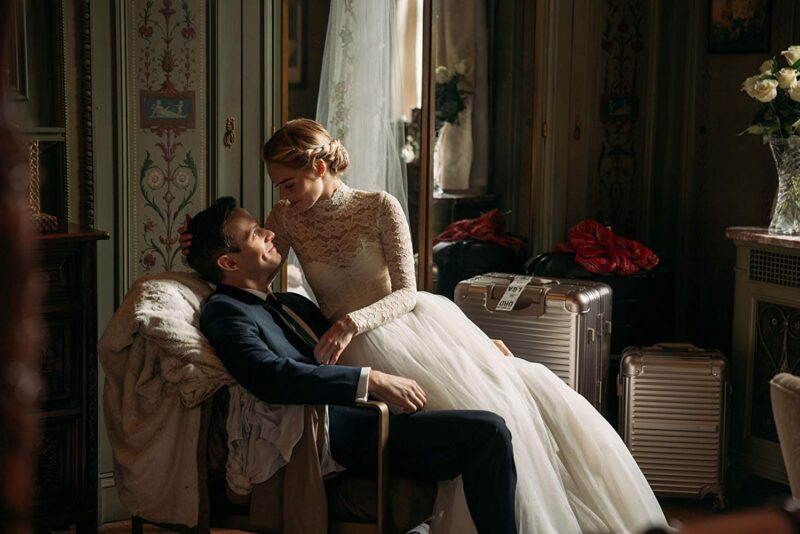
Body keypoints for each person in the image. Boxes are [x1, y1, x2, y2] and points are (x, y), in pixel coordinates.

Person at [183, 119, 668, 533]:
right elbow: (249, 269)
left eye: (289, 184)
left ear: (320, 167)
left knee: (513, 401)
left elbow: (406, 292)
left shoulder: (378, 207)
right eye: (278, 189)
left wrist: (466, 345)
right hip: (352, 362)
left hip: (404, 328)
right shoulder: (282, 226)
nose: (281, 202)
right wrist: (199, 245)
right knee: (477, 430)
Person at [187, 197, 518, 534]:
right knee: (488, 432)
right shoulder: (225, 311)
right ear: (228, 262)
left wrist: (471, 348)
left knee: (493, 407)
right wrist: (369, 380)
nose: (270, 233)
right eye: (256, 233)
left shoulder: (293, 304)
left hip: (371, 417)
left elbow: (365, 344)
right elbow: (268, 375)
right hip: (339, 431)